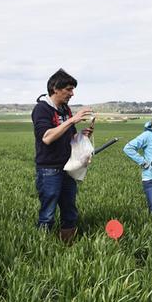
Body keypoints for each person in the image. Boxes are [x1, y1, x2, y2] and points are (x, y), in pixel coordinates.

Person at [31, 68, 93, 243]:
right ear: (55, 89)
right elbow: (47, 137)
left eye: (73, 89)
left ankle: (67, 246)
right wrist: (72, 120)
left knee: (69, 210)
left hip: (68, 167)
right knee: (48, 212)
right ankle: (41, 248)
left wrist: (82, 135)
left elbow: (70, 135)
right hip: (49, 169)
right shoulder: (42, 109)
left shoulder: (65, 109)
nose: (72, 94)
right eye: (69, 89)